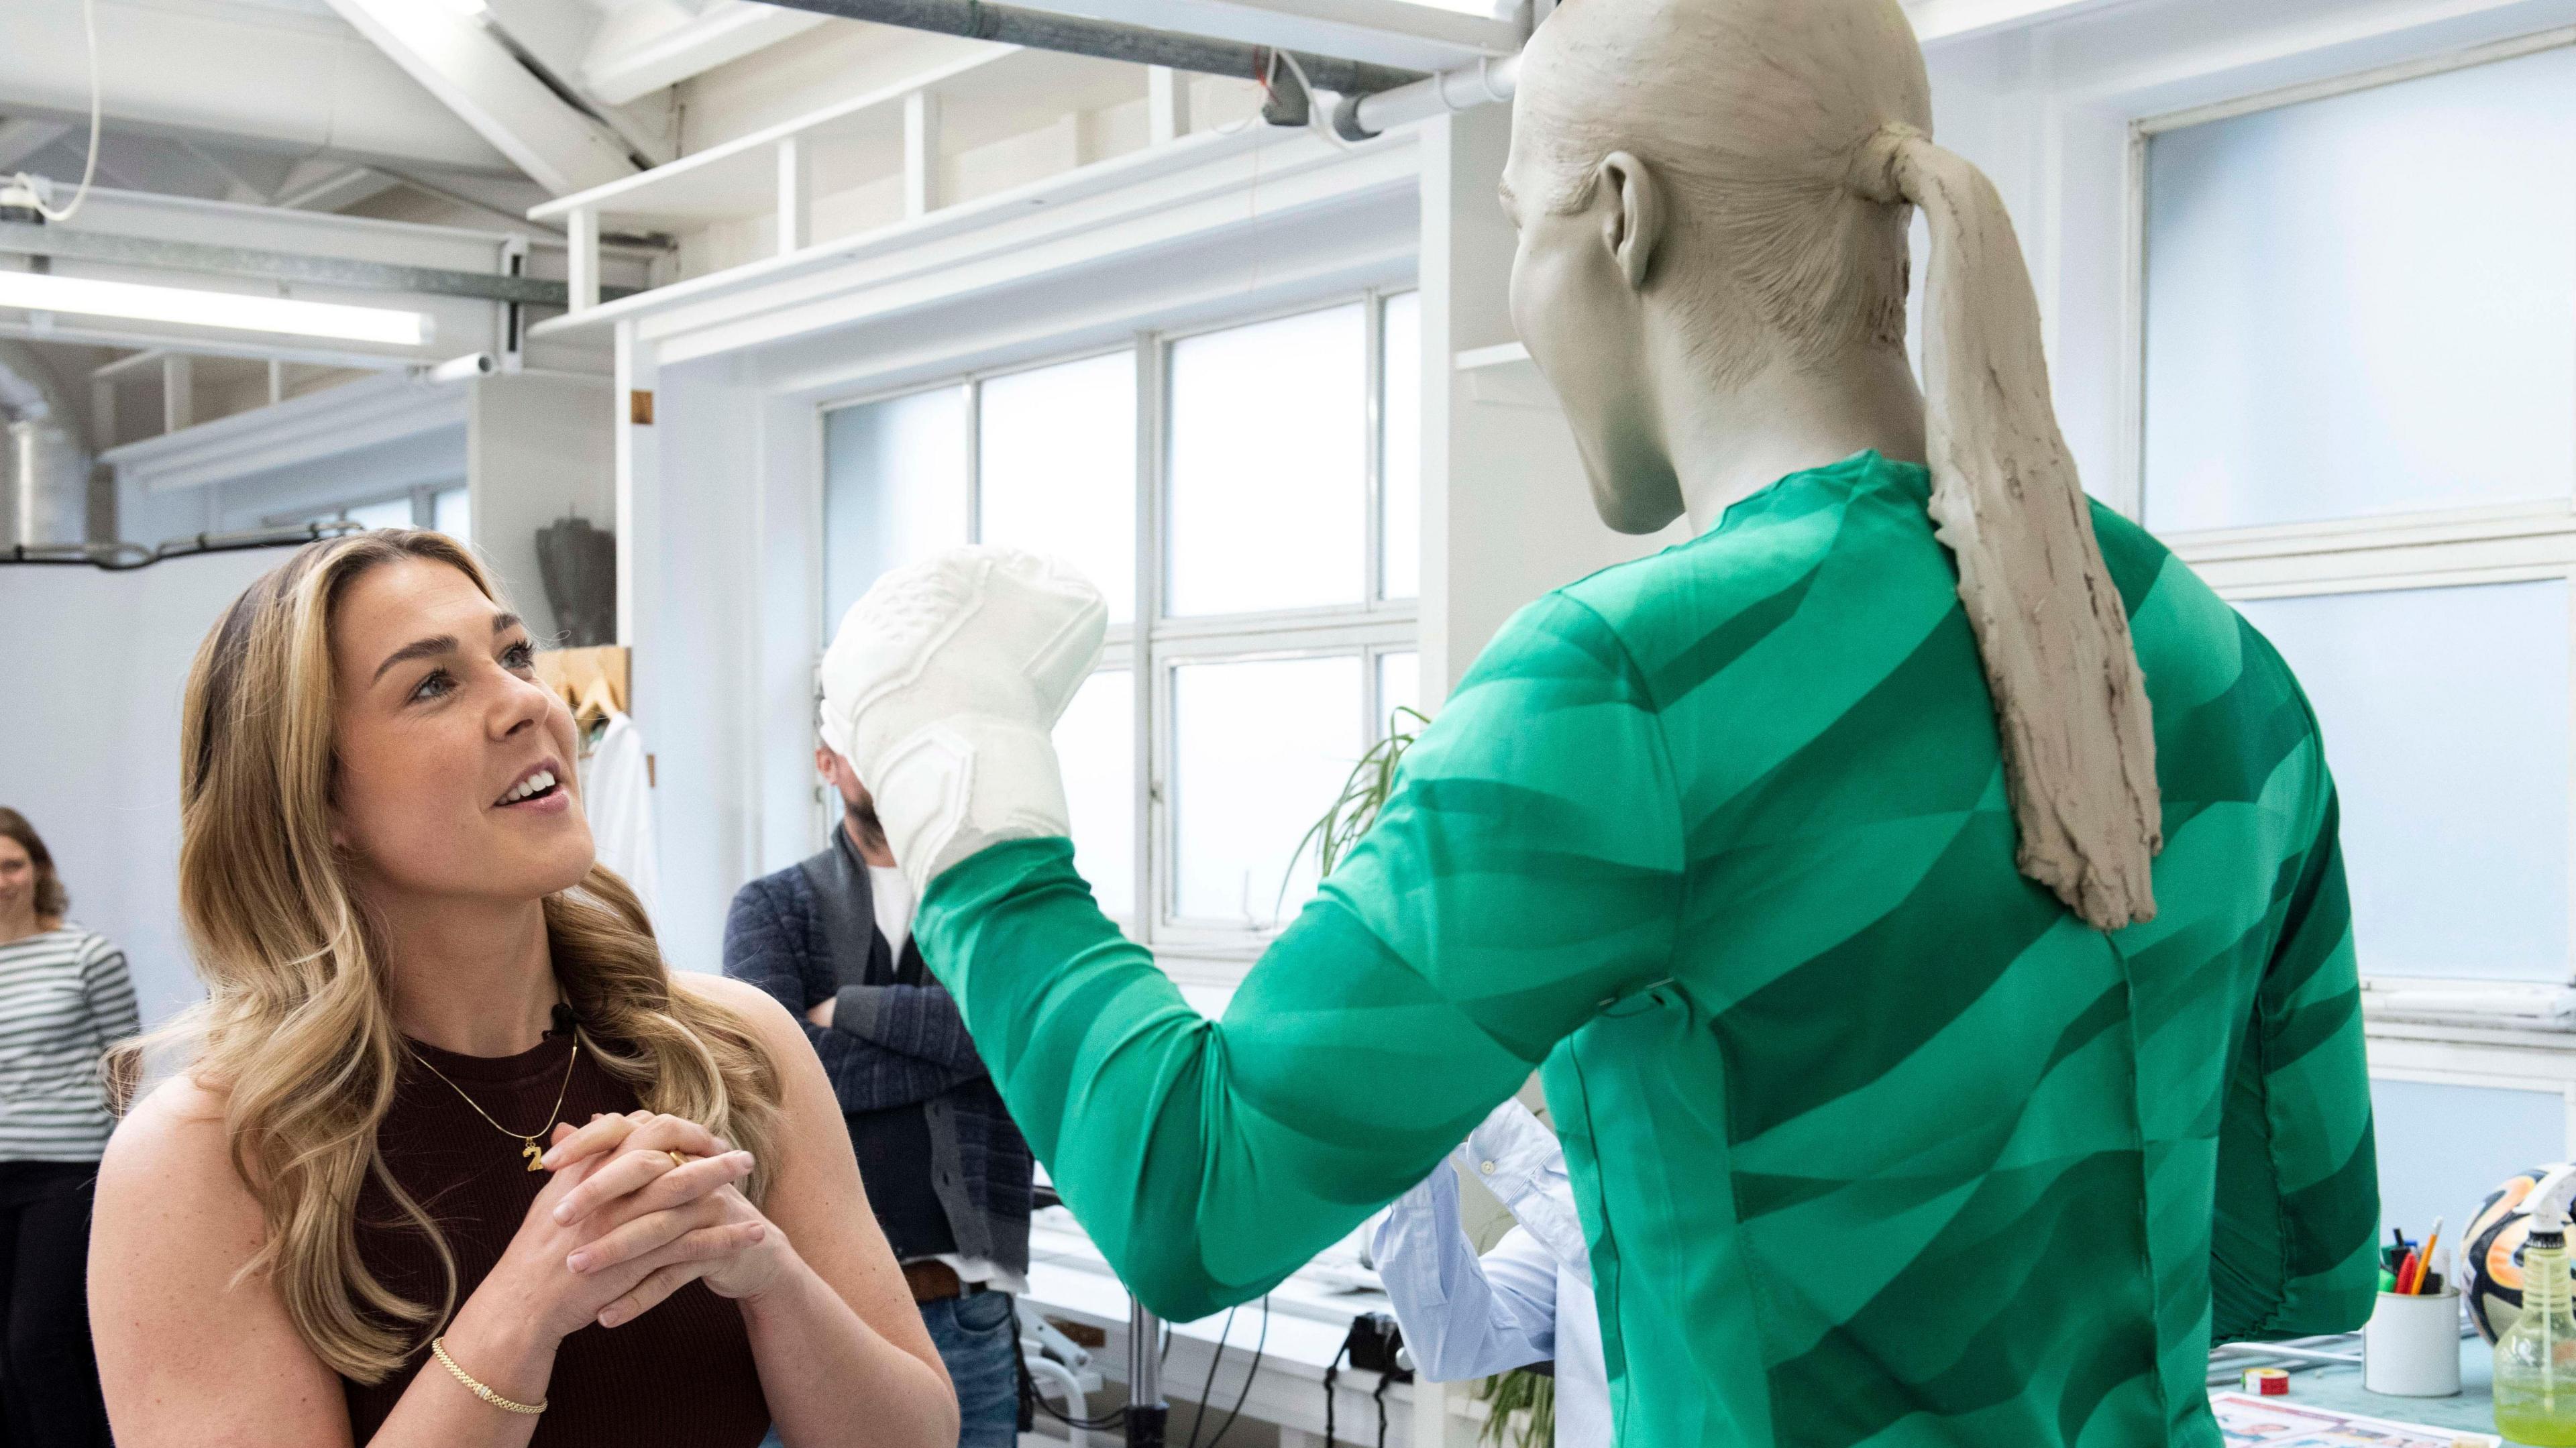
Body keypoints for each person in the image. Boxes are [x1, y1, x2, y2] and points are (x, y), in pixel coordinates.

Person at [815, 1, 2382, 1443]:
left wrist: (969, 802)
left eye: (1514, 220)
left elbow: (1187, 1194)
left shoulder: (1627, 680)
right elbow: (2302, 1269)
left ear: (1621, 216)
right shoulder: (2209, 659)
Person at [87, 529, 961, 1448]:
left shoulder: (732, 1045)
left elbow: (918, 1434)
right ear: (318, 799)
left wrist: (771, 1273)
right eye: (432, 683)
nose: (529, 703)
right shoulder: (206, 1154)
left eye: (513, 654)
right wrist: (529, 1304)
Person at [723, 740, 1034, 1448]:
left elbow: (1009, 1041)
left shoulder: (994, 914)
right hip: (807, 1313)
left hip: (966, 1312)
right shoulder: (771, 905)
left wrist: (843, 1011)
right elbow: (766, 1080)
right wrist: (972, 1050)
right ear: (827, 761)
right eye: (871, 743)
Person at [0, 807, 136, 1446]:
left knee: (42, 1342)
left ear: (38, 869)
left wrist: (131, 1167)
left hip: (67, 1173)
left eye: (12, 864)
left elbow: (125, 1064)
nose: (2, 881)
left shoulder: (86, 954)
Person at [1371, 1099, 1605, 1448]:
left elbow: (1642, 1279)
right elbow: (1449, 1346)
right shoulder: (1579, 1209)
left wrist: (1477, 1106)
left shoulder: (1713, 1200)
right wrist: (1415, 1152)